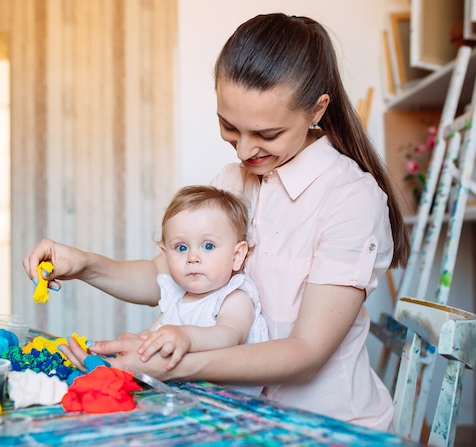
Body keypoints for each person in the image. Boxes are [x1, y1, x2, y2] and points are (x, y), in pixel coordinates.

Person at [22, 13, 410, 431]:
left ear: (317, 109)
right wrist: (84, 265)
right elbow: (165, 277)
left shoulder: (350, 197)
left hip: (329, 427)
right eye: (229, 126)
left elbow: (305, 353)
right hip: (236, 417)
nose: (244, 150)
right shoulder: (231, 181)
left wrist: (173, 364)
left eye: (267, 134)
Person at [139, 185, 268, 395]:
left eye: (208, 246)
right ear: (165, 254)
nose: (192, 257)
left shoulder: (234, 297)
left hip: (230, 404)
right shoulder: (176, 298)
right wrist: (134, 343)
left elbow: (230, 335)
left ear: (236, 256)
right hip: (185, 398)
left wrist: (186, 337)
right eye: (181, 248)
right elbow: (153, 335)